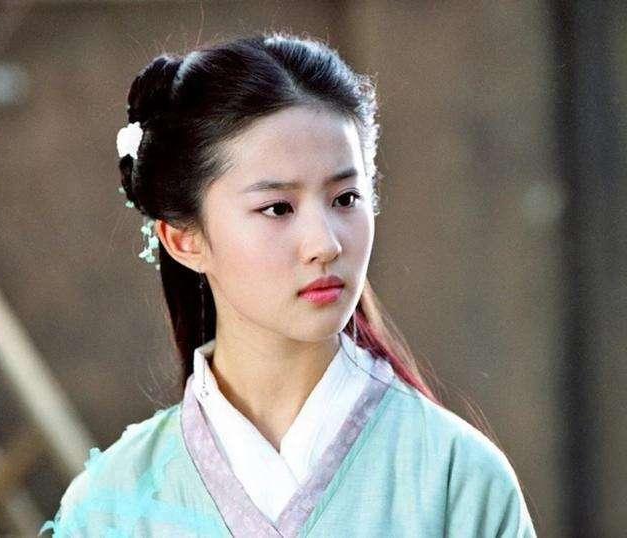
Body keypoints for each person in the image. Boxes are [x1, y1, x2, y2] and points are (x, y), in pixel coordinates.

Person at [40, 31, 537, 537]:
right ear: (185, 240)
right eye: (277, 208)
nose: (325, 244)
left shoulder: (458, 479)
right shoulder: (111, 505)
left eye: (345, 199)